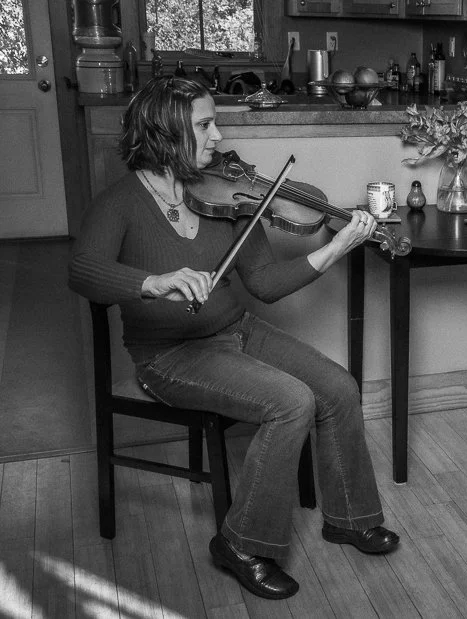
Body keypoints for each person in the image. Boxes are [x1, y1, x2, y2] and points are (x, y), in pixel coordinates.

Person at [69, 76, 399, 600]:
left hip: (236, 331)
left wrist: (337, 248)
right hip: (170, 355)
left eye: (214, 123)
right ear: (164, 131)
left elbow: (264, 284)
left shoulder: (226, 194)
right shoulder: (120, 203)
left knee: (337, 386)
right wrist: (151, 283)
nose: (218, 137)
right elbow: (82, 272)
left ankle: (349, 517)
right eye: (204, 125)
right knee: (291, 402)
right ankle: (241, 544)